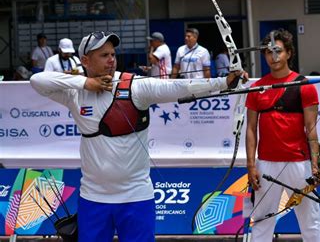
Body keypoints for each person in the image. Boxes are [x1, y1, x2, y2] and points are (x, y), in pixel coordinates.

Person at [30, 31, 245, 242]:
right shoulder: (74, 93)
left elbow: (179, 86)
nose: (111, 60)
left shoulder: (135, 87)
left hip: (136, 197)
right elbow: (37, 80)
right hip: (93, 198)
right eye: (104, 55)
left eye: (113, 54)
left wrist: (223, 83)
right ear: (85, 60)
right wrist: (85, 83)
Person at [245, 29, 320, 242]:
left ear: (289, 53)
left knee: (311, 221)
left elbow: (311, 129)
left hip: (300, 164)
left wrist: (316, 166)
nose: (274, 57)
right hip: (266, 165)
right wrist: (251, 166)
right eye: (269, 52)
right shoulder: (256, 88)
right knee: (261, 221)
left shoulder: (304, 86)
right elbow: (251, 129)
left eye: (278, 51)